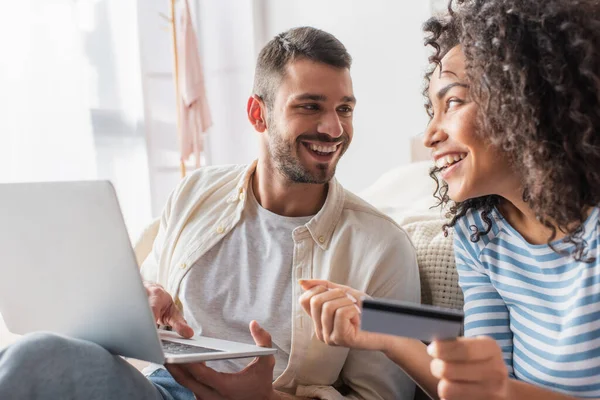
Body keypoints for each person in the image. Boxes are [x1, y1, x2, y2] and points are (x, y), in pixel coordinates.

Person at [0, 27, 420, 400]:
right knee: (33, 355)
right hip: (163, 390)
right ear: (258, 114)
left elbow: (382, 395)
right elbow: (149, 299)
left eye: (344, 109)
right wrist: (149, 302)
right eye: (310, 106)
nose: (334, 128)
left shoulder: (382, 247)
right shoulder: (196, 192)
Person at [299, 1, 600, 399]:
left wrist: (497, 391)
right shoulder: (481, 234)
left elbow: (495, 391)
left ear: (528, 97)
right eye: (432, 109)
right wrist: (385, 328)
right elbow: (479, 385)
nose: (430, 136)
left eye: (453, 102)